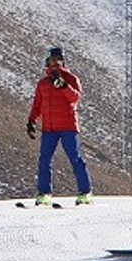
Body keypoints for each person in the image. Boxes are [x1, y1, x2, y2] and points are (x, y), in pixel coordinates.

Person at [25, 46, 93, 206]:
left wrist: (63, 86)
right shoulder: (43, 84)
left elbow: (75, 98)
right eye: (53, 60)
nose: (55, 63)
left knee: (75, 159)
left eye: (58, 59)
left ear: (63, 61)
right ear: (47, 62)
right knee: (45, 161)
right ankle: (44, 194)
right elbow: (37, 104)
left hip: (68, 126)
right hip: (49, 128)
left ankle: (85, 192)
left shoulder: (70, 78)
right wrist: (31, 121)